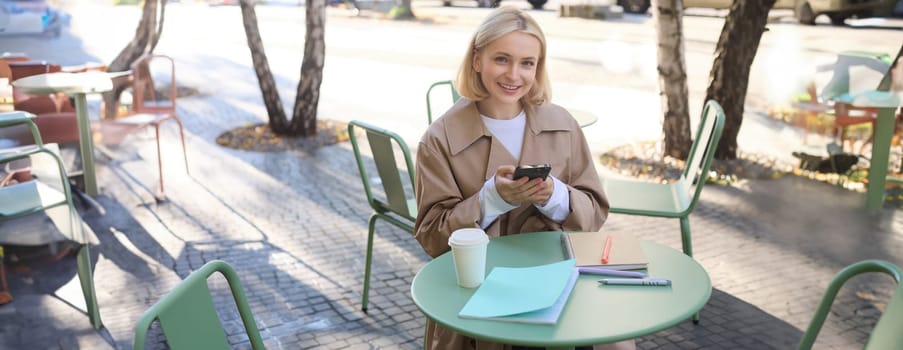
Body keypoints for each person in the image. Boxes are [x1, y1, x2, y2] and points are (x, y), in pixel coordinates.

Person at [414, 7, 629, 350]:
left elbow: (595, 214)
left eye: (527, 63)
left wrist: (554, 195)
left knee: (616, 340)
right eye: (502, 59)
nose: (514, 74)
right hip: (479, 298)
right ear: (476, 60)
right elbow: (432, 237)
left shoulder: (563, 124)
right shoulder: (439, 139)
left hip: (559, 283)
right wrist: (492, 200)